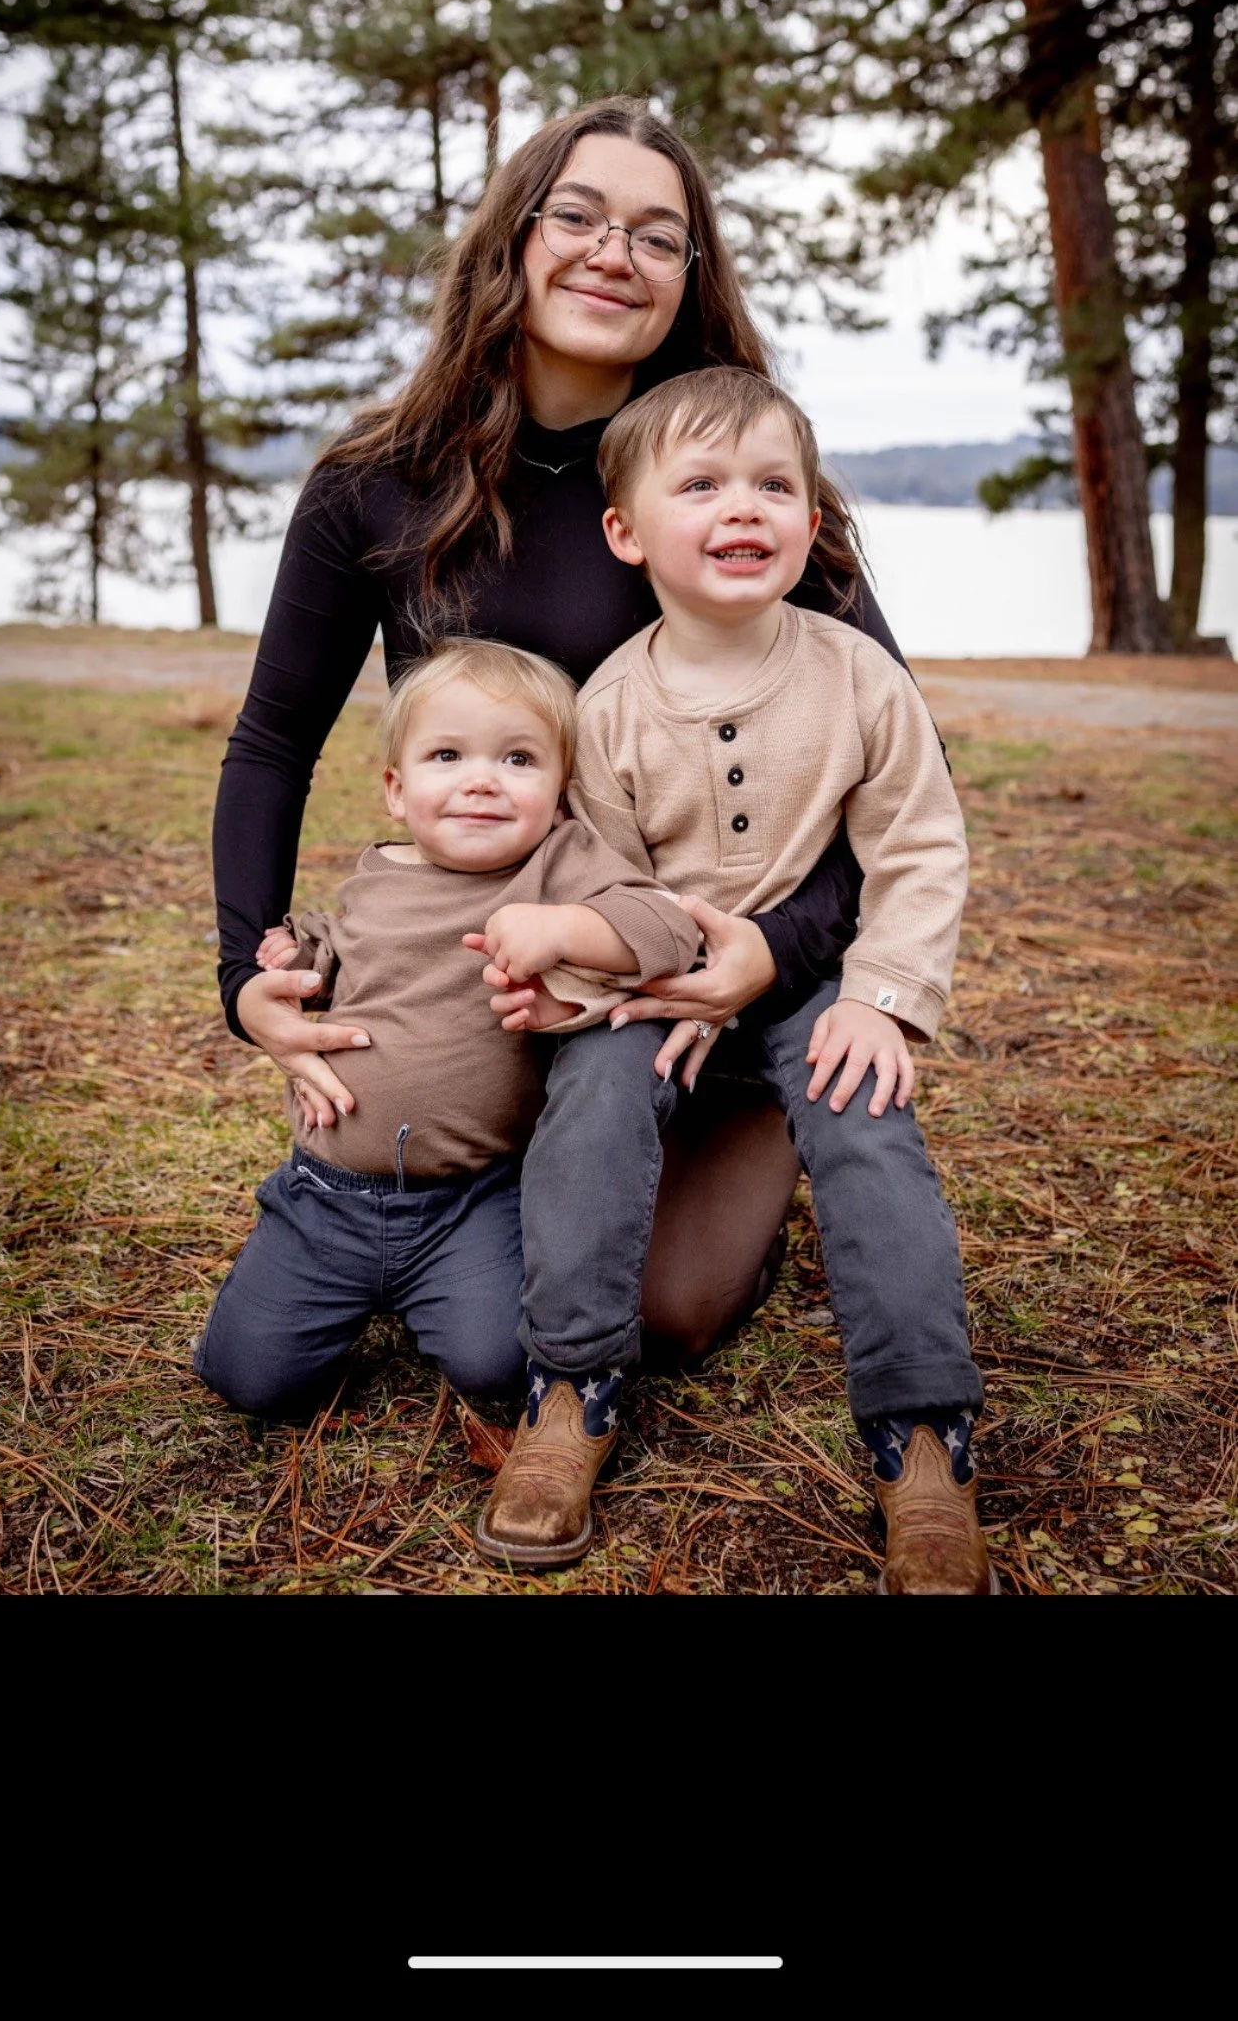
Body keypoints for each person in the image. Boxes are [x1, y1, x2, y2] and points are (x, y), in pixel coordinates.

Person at [212, 96, 911, 1393]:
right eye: (579, 216)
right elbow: (269, 745)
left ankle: (748, 1122)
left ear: (689, 279)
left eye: (658, 235)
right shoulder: (375, 481)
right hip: (488, 979)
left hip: (697, 981)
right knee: (519, 1286)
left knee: (658, 1317)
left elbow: (889, 771)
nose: (613, 253)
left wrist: (769, 950)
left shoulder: (740, 481)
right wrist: (242, 980)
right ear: (515, 238)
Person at [473, 369, 994, 1595]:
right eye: (699, 485)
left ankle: (924, 1437)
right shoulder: (607, 710)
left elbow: (919, 848)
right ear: (627, 531)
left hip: (815, 987)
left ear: (812, 523)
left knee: (868, 1125)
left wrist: (882, 995)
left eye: (774, 485)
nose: (743, 508)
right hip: (657, 992)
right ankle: (571, 1393)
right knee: (591, 1102)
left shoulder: (859, 676)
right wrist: (630, 982)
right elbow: (603, 885)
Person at [195, 639, 699, 1418]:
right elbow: (338, 952)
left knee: (497, 1367)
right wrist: (299, 957)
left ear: (562, 790)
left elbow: (668, 928)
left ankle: (435, 1295)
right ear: (397, 790)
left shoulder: (558, 865)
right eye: (447, 754)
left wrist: (566, 928)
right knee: (251, 1380)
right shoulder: (379, 875)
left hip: (474, 1201)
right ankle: (301, 1295)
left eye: (519, 760)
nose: (481, 781)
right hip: (328, 1196)